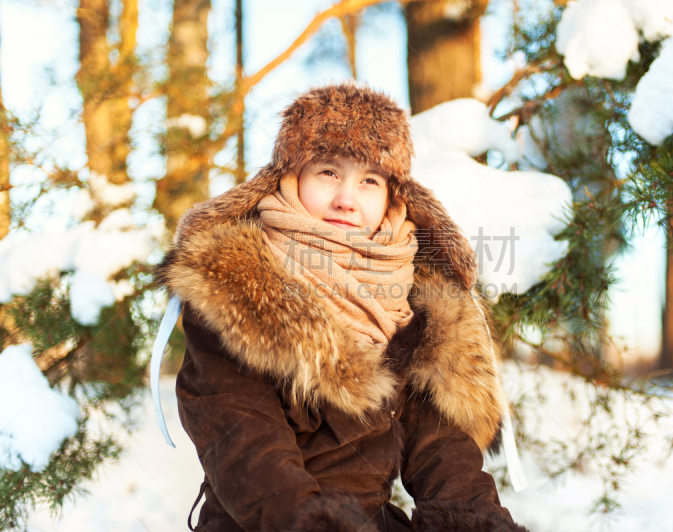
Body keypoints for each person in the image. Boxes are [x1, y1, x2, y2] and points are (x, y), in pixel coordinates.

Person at [156, 83, 529, 532]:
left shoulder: (414, 300)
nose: (346, 199)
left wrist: (475, 519)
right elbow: (241, 438)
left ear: (394, 195)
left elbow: (439, 448)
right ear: (290, 176)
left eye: (369, 180)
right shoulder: (236, 287)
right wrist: (308, 522)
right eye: (328, 172)